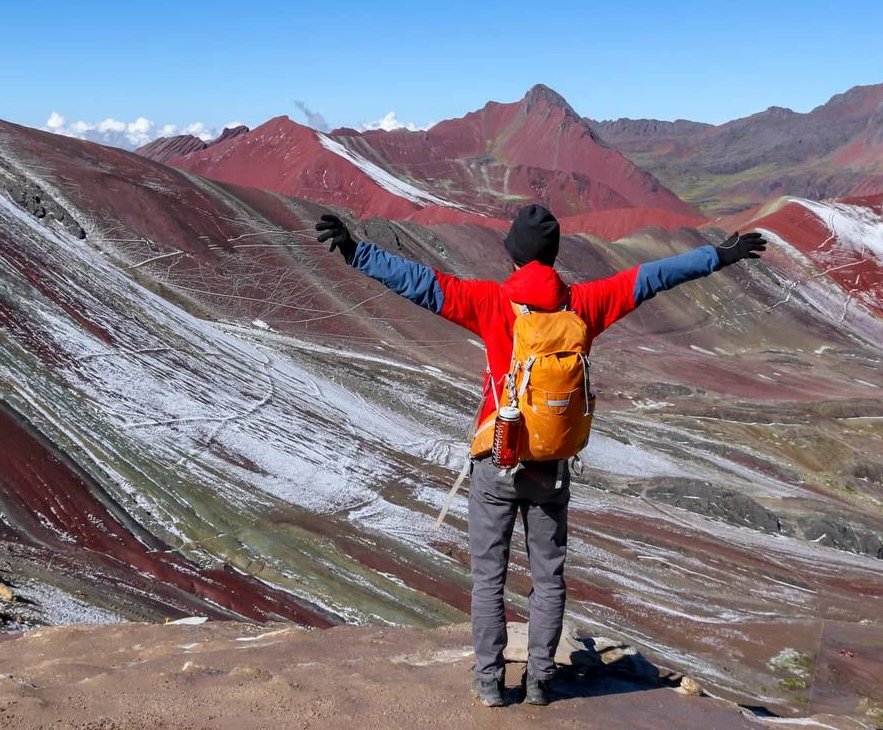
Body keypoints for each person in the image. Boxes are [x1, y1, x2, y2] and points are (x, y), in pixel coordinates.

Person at [315, 206, 765, 707]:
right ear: (553, 256)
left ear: (512, 257)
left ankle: (490, 682)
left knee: (489, 576)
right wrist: (719, 256)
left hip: (497, 457)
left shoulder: (489, 301)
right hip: (551, 465)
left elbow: (419, 282)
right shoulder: (586, 304)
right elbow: (653, 277)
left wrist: (357, 250)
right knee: (548, 577)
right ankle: (540, 682)